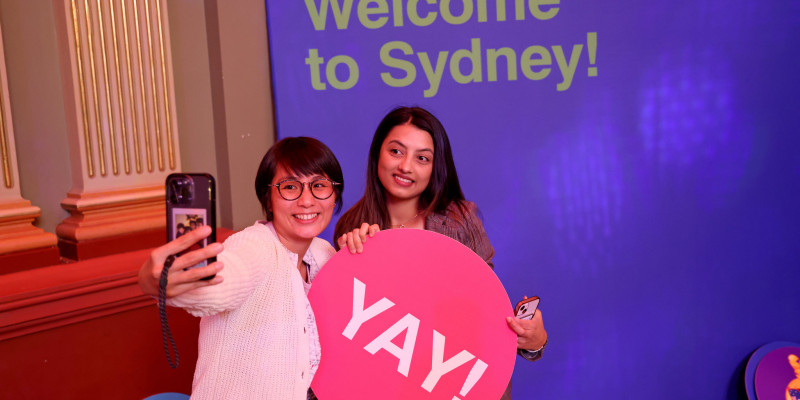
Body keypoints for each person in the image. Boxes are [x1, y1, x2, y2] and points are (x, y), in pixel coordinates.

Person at [334, 106, 547, 399]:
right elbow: (344, 336)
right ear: (377, 155)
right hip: (388, 387)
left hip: (455, 383)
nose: (406, 166)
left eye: (422, 158)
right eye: (396, 151)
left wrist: (534, 342)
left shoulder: (460, 220)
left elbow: (488, 318)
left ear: (436, 167)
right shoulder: (352, 229)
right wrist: (348, 263)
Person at [138, 137, 344, 400]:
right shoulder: (254, 246)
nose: (306, 200)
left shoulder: (323, 253)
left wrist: (365, 250)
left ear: (334, 194)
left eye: (319, 186)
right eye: (290, 187)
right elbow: (222, 284)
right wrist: (157, 282)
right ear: (268, 199)